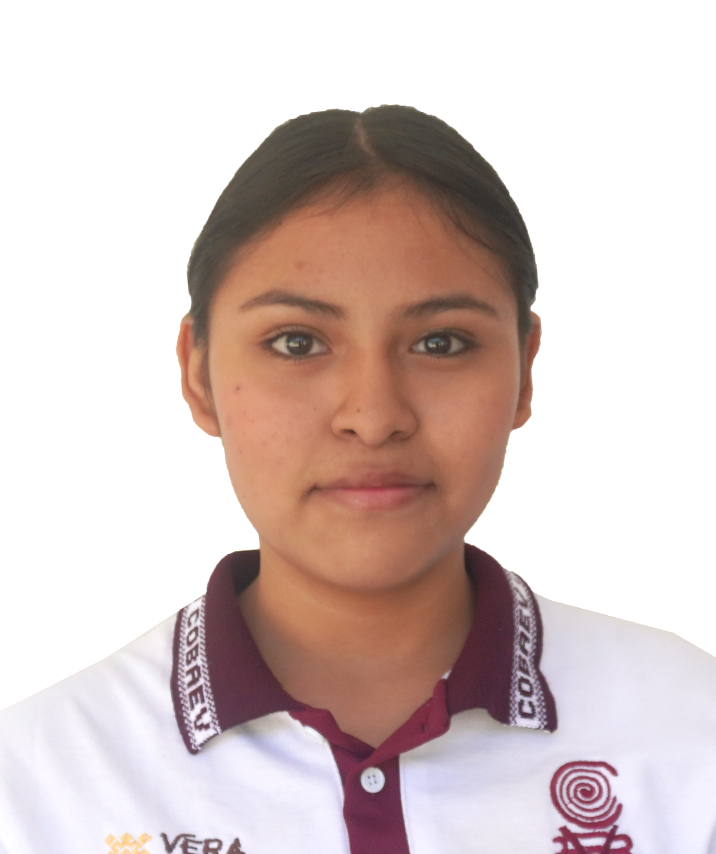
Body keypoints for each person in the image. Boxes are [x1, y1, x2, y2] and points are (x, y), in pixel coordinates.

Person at [0, 105, 715, 854]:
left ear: (524, 371)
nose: (373, 417)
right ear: (198, 374)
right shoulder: (37, 790)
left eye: (441, 343)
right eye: (296, 343)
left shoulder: (691, 741)